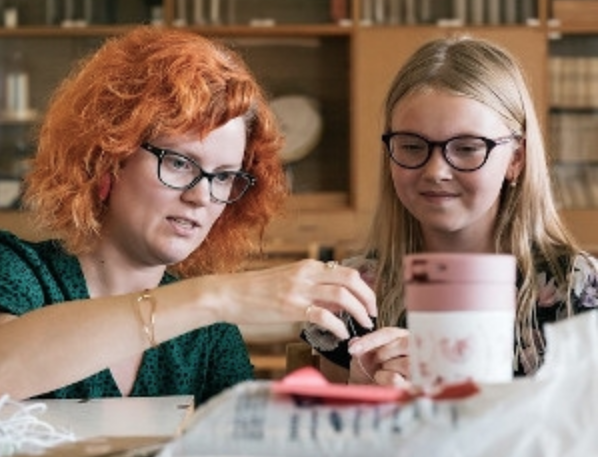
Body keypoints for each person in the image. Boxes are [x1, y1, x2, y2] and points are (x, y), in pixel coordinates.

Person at [0, 26, 376, 405]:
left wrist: (361, 395)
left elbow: (238, 450)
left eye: (225, 177)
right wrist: (215, 297)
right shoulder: (19, 271)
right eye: (179, 162)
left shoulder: (209, 334)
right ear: (108, 157)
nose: (202, 196)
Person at [303, 34, 598, 385]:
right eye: (412, 146)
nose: (436, 171)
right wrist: (362, 399)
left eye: (467, 148)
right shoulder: (352, 296)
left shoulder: (575, 288)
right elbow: (330, 434)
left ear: (515, 159)